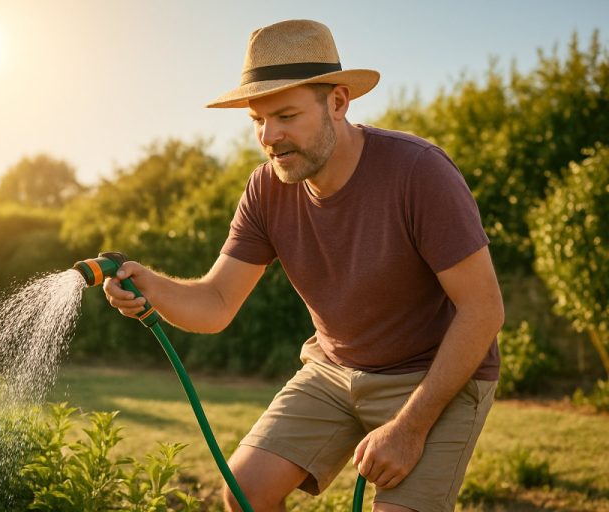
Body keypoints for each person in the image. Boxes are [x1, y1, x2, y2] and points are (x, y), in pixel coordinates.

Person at [104, 19, 504, 512]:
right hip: (334, 370)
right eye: (257, 120)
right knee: (244, 493)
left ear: (338, 102)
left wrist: (410, 427)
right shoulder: (265, 189)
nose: (269, 137)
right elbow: (216, 304)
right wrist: (150, 286)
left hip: (432, 375)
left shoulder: (419, 172)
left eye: (286, 116)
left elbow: (484, 310)